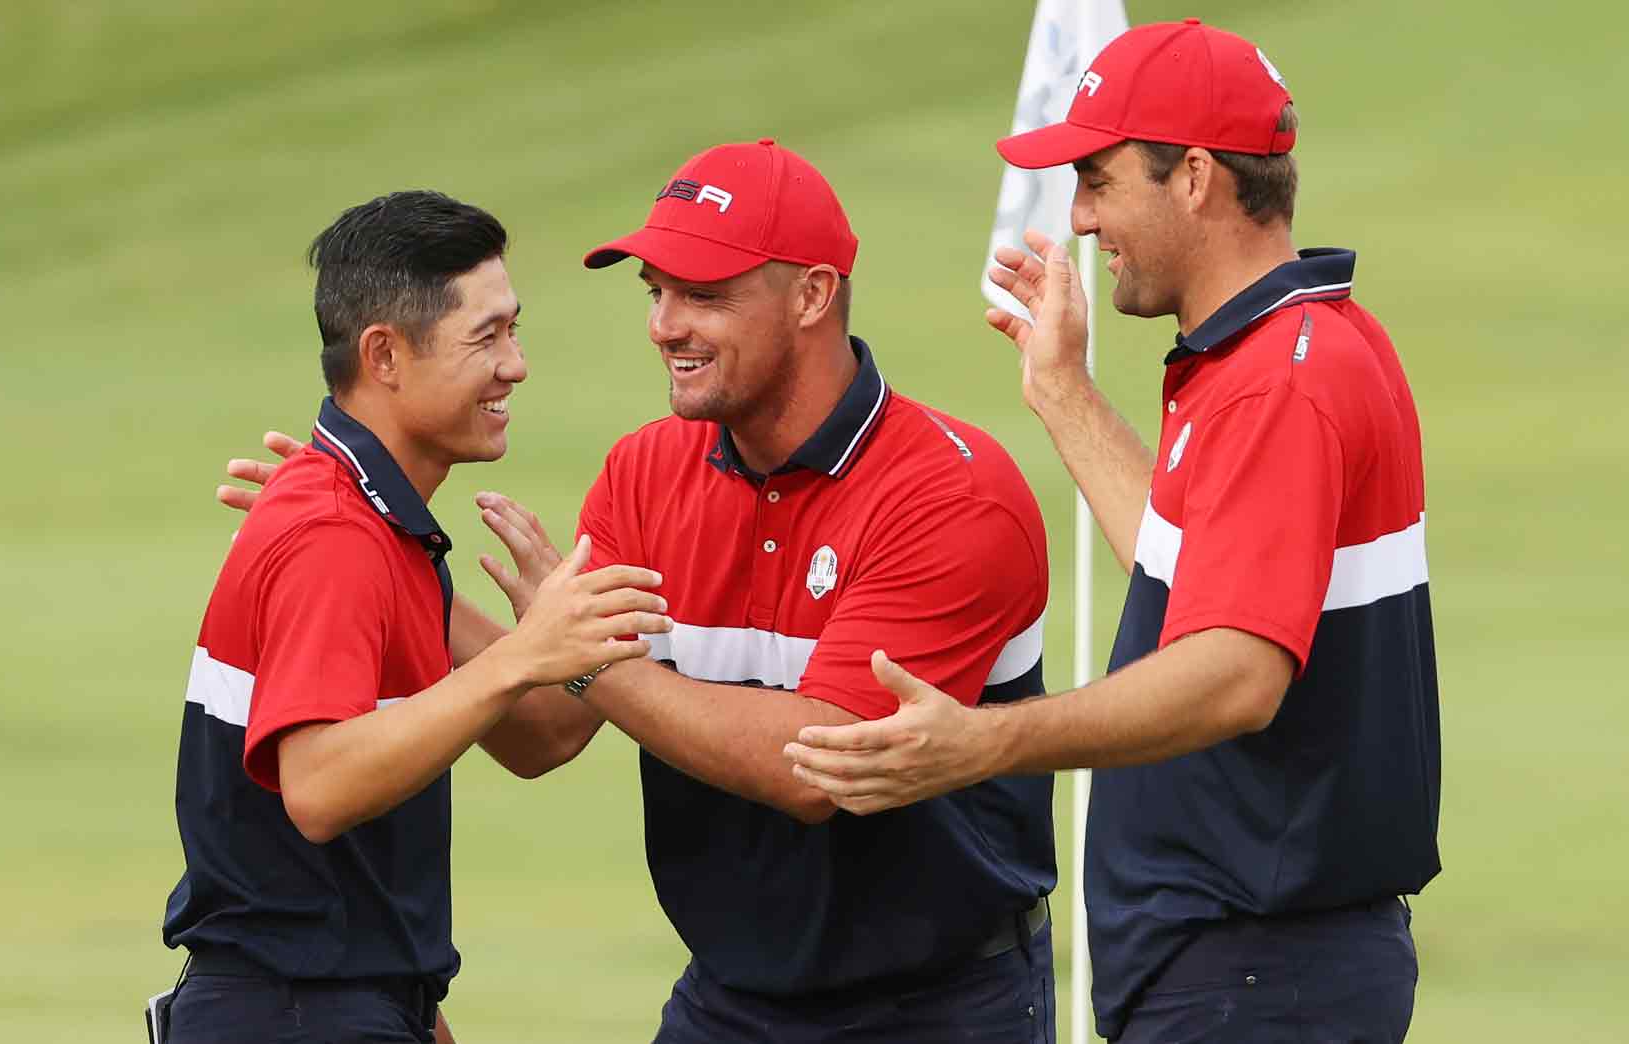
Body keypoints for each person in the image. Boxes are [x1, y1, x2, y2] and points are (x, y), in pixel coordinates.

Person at [218, 142, 1060, 1043]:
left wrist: (577, 657)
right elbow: (542, 731)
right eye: (655, 291)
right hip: (728, 1001)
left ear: (813, 295)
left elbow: (820, 769)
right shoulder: (645, 474)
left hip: (937, 1009)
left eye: (704, 294)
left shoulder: (948, 495)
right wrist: (397, 561)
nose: (664, 324)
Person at [784, 20, 1441, 1044]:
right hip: (1250, 969)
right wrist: (1060, 391)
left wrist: (983, 744)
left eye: (1096, 180)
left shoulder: (1281, 381)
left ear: (1190, 176)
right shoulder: (1288, 349)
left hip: (1260, 970)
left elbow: (1234, 669)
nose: (1081, 220)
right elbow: (1193, 578)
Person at [162, 190, 671, 1044]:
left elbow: (540, 736)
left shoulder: (372, 528)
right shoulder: (336, 533)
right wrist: (521, 655)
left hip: (342, 1002)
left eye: (514, 329)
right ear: (385, 355)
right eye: (487, 336)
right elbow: (319, 789)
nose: (516, 364)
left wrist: (567, 641)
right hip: (296, 1012)